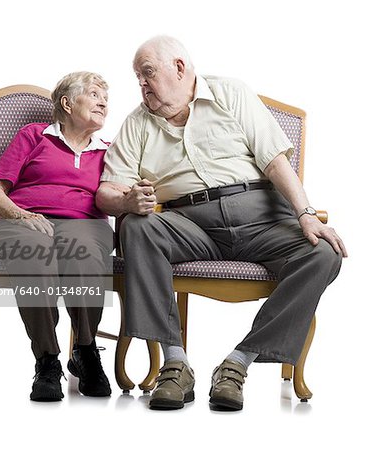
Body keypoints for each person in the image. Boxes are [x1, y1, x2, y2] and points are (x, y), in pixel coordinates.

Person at [96, 36, 347, 411]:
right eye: (138, 78)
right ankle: (175, 363)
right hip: (189, 225)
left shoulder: (232, 93)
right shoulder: (137, 124)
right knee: (135, 225)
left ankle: (237, 363)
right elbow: (106, 192)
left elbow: (276, 161)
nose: (142, 85)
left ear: (179, 68)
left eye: (147, 74)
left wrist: (305, 214)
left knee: (323, 253)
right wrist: (128, 200)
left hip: (262, 217)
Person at [0, 71, 114, 401]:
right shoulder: (34, 135)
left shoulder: (109, 150)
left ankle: (85, 353)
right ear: (68, 103)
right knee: (34, 255)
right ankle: (47, 361)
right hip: (25, 220)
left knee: (84, 253)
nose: (103, 102)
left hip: (85, 223)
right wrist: (21, 215)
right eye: (95, 94)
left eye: (106, 98)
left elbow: (120, 194)